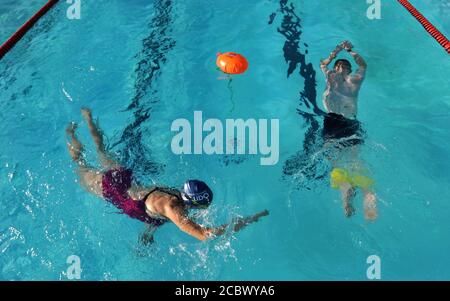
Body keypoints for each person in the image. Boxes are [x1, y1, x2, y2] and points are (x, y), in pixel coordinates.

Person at [66, 108, 269, 244]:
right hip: (113, 189)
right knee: (79, 165)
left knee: (101, 150)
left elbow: (154, 212)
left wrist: (148, 232)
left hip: (123, 177)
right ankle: (71, 135)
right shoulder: (174, 208)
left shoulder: (174, 194)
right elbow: (205, 235)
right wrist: (250, 219)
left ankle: (88, 119)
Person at [320, 41, 377, 220]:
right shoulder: (354, 80)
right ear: (349, 69)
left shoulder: (330, 76)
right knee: (354, 159)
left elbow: (323, 63)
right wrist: (350, 51)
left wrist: (337, 50)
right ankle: (368, 193)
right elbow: (363, 65)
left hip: (333, 121)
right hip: (352, 123)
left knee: (334, 160)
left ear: (337, 67)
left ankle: (346, 191)